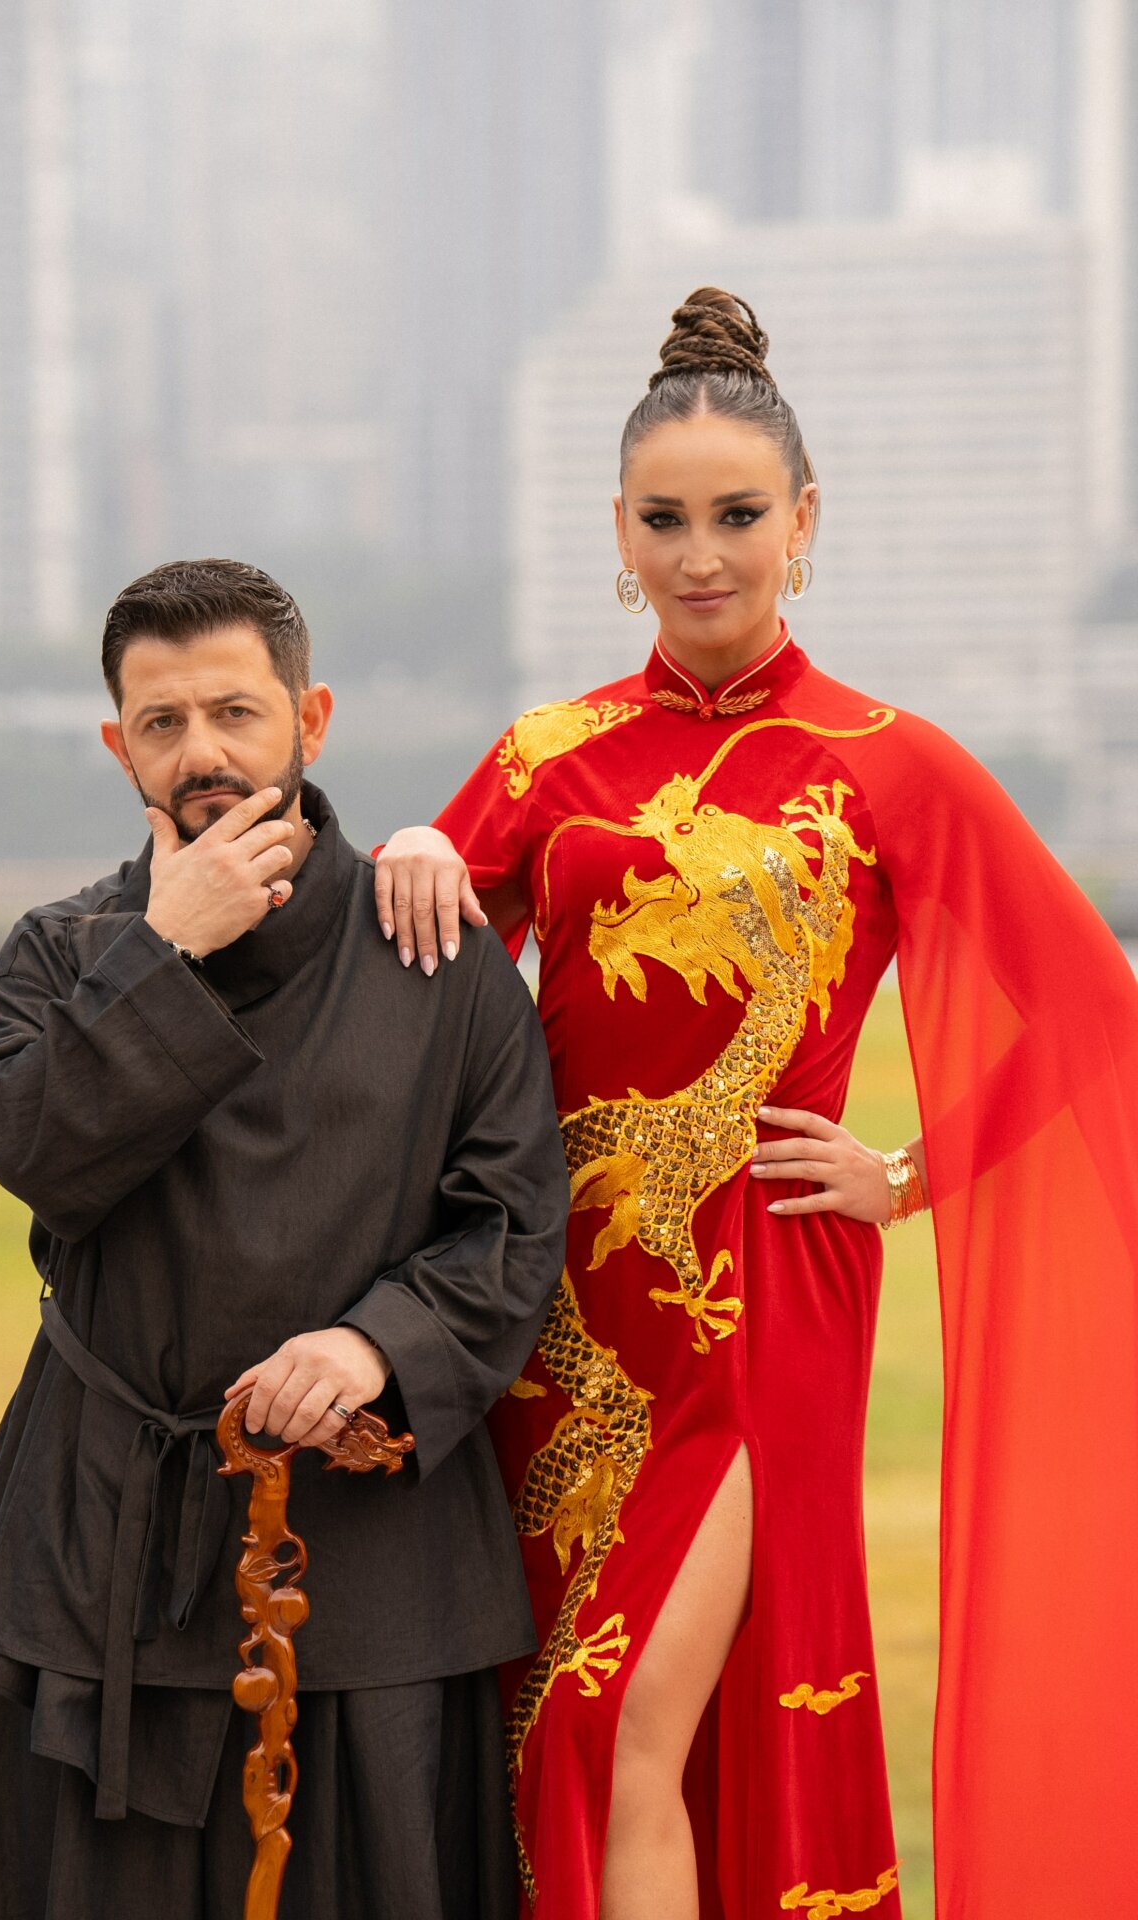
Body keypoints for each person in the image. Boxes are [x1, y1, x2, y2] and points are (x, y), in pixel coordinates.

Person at [373, 289, 1138, 1920]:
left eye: (737, 516)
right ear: (619, 534)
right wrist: (417, 847)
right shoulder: (544, 756)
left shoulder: (888, 761)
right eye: (665, 521)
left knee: (616, 1728)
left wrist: (909, 1174)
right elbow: (401, 984)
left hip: (760, 1304)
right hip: (555, 1315)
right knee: (544, 1729)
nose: (702, 555)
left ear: (805, 521)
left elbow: (1092, 1017)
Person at [0, 558, 569, 1920]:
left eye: (236, 712)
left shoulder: (437, 952)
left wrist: (373, 1345)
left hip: (371, 1549)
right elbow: (33, 1150)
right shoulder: (62, 952)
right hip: (107, 1540)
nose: (202, 754)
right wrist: (160, 951)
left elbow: (517, 1223)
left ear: (311, 719)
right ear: (118, 747)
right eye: (162, 723)